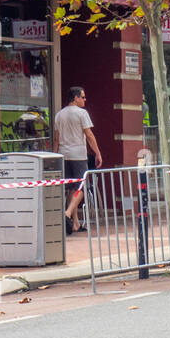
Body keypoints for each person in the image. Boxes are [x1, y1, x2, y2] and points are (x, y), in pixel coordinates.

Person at [54, 86, 103, 233]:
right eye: (83, 97)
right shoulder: (82, 113)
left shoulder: (59, 115)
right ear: (75, 98)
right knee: (80, 188)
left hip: (63, 155)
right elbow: (89, 135)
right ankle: (67, 213)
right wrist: (98, 153)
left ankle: (75, 223)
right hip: (78, 155)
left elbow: (56, 139)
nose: (85, 99)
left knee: (70, 188)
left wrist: (54, 156)